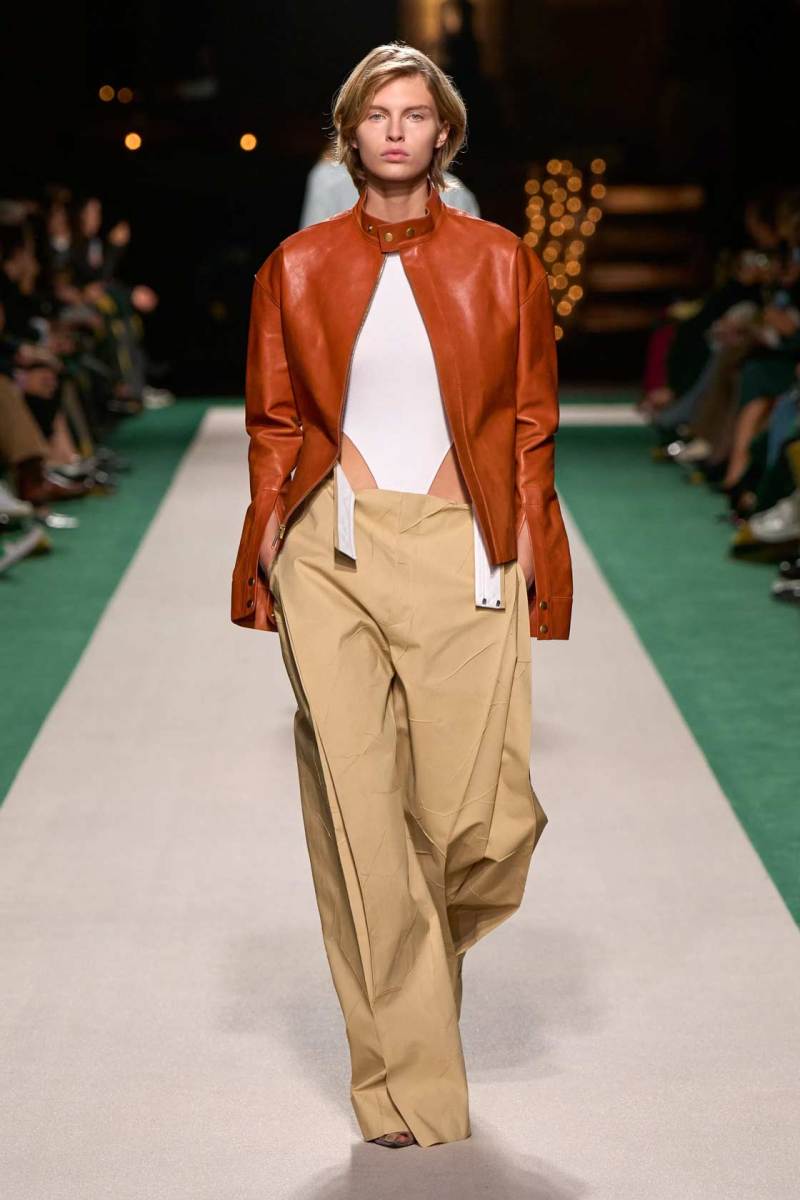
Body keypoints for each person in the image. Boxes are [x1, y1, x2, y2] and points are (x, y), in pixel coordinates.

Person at [230, 41, 573, 1149]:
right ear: (349, 134)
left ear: (444, 135)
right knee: (361, 819)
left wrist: (528, 540)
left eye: (413, 114)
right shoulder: (294, 267)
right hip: (329, 551)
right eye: (376, 113)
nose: (393, 130)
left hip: (462, 545)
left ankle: (416, 966)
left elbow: (530, 418)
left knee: (478, 821)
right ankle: (403, 1084)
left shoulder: (501, 261)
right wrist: (270, 532)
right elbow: (276, 418)